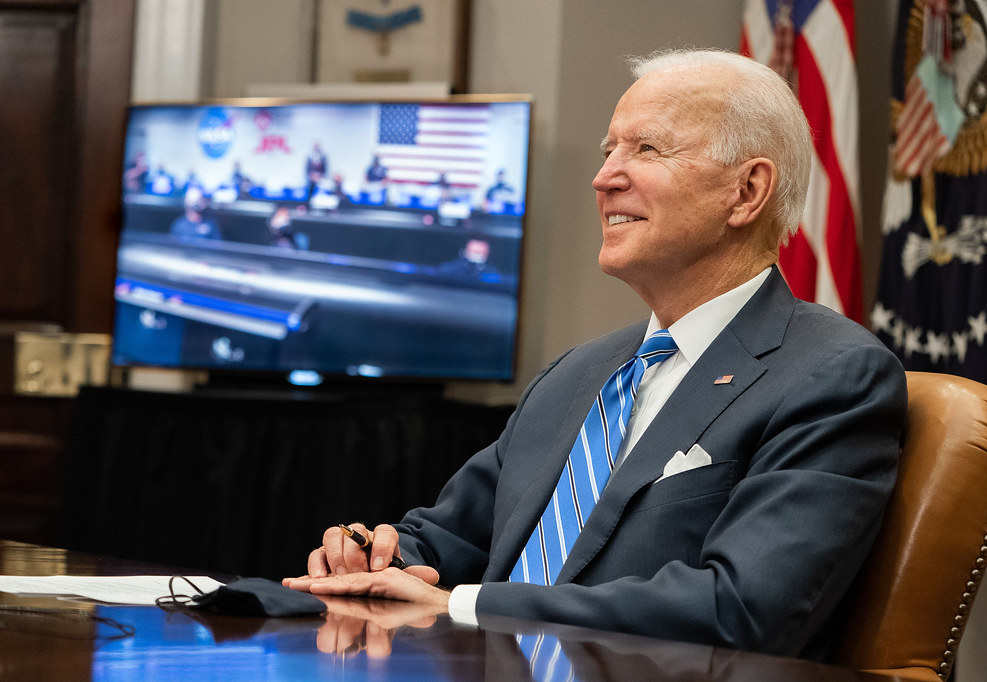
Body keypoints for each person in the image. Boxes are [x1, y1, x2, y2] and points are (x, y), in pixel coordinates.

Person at [284, 48, 907, 661]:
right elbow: (443, 539)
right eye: (609, 149)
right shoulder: (577, 373)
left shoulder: (831, 375)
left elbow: (741, 609)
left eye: (647, 149)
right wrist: (372, 554)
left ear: (746, 192)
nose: (604, 176)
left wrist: (461, 606)